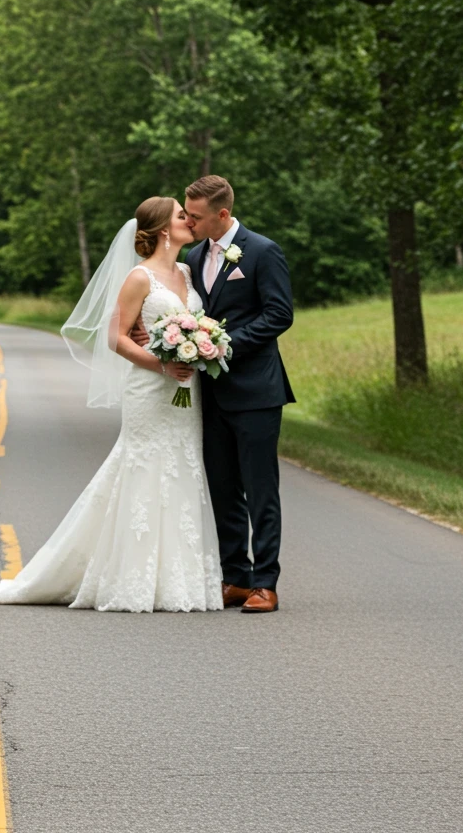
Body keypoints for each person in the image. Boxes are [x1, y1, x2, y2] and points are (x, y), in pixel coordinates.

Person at [0, 197, 223, 612]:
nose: (189, 221)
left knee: (183, 465)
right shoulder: (139, 277)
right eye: (181, 216)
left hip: (186, 395)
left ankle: (177, 580)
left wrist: (197, 351)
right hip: (150, 390)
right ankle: (131, 577)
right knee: (145, 468)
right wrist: (161, 365)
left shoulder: (186, 272)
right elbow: (114, 337)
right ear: (164, 229)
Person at [178, 175, 294, 613]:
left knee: (260, 487)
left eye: (196, 215)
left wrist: (226, 343)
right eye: (186, 214)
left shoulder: (262, 251)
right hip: (211, 393)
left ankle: (266, 582)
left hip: (257, 391)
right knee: (224, 487)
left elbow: (280, 314)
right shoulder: (192, 255)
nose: (188, 221)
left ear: (222, 215)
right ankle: (237, 578)